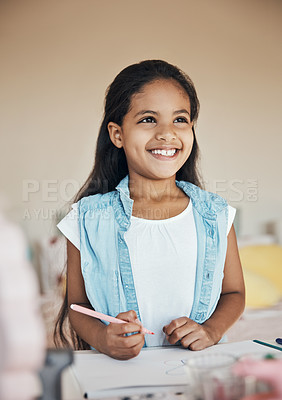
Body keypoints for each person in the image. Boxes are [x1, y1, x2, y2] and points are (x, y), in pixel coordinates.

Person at [54, 59, 245, 360]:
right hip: (118, 377)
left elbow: (234, 294)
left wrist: (211, 330)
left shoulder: (215, 214)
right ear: (118, 134)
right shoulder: (86, 218)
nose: (167, 133)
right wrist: (104, 338)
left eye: (180, 120)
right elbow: (79, 307)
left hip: (197, 371)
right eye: (148, 120)